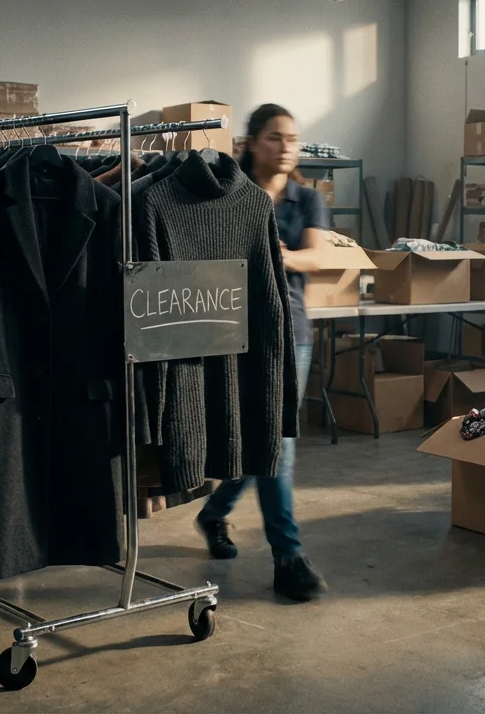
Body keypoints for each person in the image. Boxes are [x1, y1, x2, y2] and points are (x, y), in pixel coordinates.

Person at [196, 103, 330, 601]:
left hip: (290, 332)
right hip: (233, 329)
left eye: (293, 137)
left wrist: (283, 254)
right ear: (252, 142)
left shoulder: (306, 200)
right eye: (275, 136)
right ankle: (222, 517)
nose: (286, 145)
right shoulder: (231, 193)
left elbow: (318, 256)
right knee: (264, 439)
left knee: (275, 440)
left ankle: (286, 554)